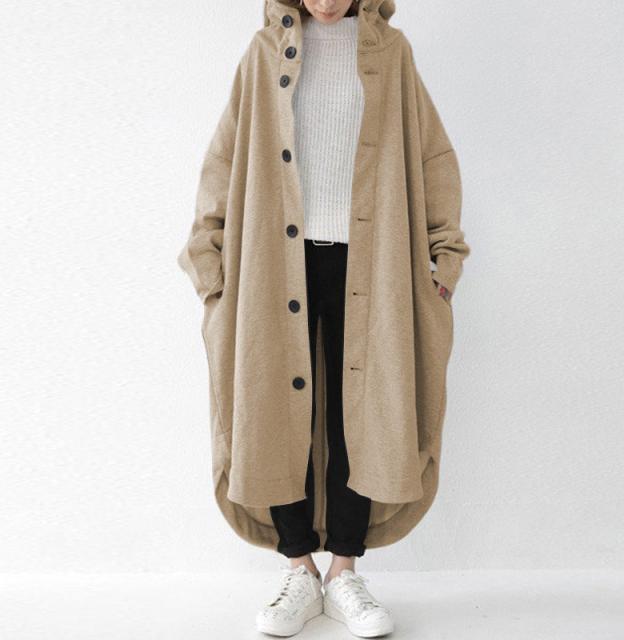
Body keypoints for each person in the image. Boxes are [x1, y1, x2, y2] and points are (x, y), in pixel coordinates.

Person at [177, 0, 469, 637]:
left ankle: (343, 572)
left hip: (374, 261)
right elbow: (223, 158)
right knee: (273, 410)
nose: (326, 2)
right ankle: (298, 570)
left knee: (359, 413)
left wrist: (444, 259)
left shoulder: (392, 53)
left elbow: (432, 158)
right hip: (273, 261)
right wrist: (209, 262)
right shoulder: (263, 55)